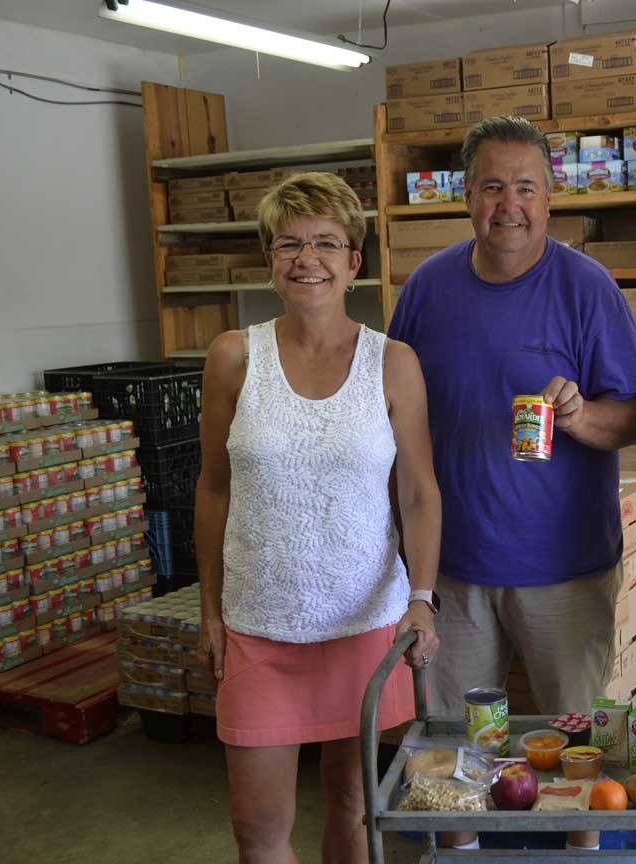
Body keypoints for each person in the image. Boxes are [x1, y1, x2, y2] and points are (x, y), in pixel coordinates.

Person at [388, 115, 636, 852]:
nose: (511, 204)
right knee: (451, 756)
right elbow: (391, 410)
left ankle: (578, 849)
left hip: (564, 573)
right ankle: (461, 850)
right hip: (454, 572)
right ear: (467, 195)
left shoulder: (587, 287)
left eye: (527, 188)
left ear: (550, 196)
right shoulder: (428, 289)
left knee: (577, 759)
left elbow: (634, 417)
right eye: (494, 186)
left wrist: (579, 418)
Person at [194, 171, 442, 864]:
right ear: (271, 260)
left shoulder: (392, 363)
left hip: (364, 624)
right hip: (260, 626)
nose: (308, 259)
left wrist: (421, 600)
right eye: (289, 244)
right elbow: (213, 488)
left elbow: (420, 491)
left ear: (354, 262)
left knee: (355, 805)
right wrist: (209, 611)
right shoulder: (233, 357)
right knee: (257, 826)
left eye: (327, 243)